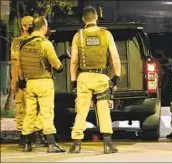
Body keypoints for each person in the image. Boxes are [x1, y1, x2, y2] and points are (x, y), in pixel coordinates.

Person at [69, 6, 121, 154]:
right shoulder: (106, 34)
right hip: (101, 77)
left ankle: (77, 144)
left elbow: (73, 61)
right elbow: (115, 57)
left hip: (84, 78)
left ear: (83, 19)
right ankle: (108, 144)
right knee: (104, 110)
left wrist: (74, 81)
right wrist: (116, 77)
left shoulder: (78, 36)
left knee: (81, 110)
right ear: (96, 17)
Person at [18, 16, 66, 153]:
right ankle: (51, 143)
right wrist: (60, 66)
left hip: (30, 82)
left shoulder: (23, 44)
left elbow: (20, 66)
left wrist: (22, 80)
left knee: (30, 113)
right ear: (44, 28)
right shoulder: (45, 43)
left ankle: (27, 143)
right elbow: (57, 65)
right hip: (44, 82)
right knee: (47, 112)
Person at [10, 16, 47, 147]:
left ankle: (38, 135)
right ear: (24, 27)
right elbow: (16, 63)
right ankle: (23, 137)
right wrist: (16, 82)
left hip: (34, 79)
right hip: (21, 81)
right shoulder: (18, 42)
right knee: (22, 109)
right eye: (30, 25)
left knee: (38, 109)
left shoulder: (38, 40)